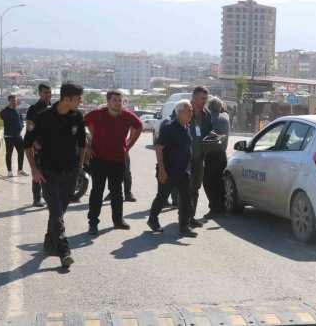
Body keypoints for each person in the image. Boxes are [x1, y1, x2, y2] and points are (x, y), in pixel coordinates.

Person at [24, 81, 86, 269]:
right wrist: (34, 169)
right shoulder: (44, 117)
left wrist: (80, 165)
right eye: (77, 99)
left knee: (59, 211)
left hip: (70, 172)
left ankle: (50, 241)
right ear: (66, 99)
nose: (80, 102)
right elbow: (27, 143)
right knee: (57, 212)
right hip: (48, 172)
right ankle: (64, 250)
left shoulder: (77, 117)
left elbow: (82, 143)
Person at [85, 90, 142, 235]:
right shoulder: (97, 113)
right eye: (115, 100)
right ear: (108, 100)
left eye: (120, 100)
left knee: (117, 191)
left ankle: (118, 220)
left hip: (118, 160)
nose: (118, 103)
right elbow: (80, 124)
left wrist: (129, 145)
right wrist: (87, 147)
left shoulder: (127, 115)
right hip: (98, 159)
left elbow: (139, 126)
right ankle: (93, 223)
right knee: (97, 191)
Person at [147, 99, 197, 238]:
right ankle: (152, 219)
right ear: (179, 112)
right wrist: (162, 170)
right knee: (162, 198)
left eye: (192, 110)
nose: (191, 113)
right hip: (168, 171)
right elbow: (159, 148)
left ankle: (184, 226)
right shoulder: (170, 127)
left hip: (183, 172)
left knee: (186, 198)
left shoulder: (187, 127)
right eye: (189, 110)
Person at [188, 86, 214, 228]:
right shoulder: (184, 110)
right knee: (187, 188)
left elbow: (208, 129)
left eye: (206, 99)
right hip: (184, 158)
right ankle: (185, 218)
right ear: (194, 97)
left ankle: (191, 217)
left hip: (199, 157)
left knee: (196, 188)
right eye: (202, 98)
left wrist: (212, 134)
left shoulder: (206, 114)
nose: (204, 101)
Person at [25, 84, 52, 207]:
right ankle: (36, 199)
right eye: (45, 92)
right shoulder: (34, 109)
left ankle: (48, 196)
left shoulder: (53, 107)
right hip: (39, 147)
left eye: (49, 92)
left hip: (51, 148)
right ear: (40, 93)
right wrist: (35, 143)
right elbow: (29, 128)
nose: (48, 94)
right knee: (37, 172)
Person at [203, 97, 230, 218]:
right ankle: (222, 207)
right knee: (219, 181)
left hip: (211, 154)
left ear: (209, 108)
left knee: (208, 181)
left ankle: (214, 207)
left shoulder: (209, 119)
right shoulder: (225, 117)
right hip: (222, 154)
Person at [0, 95, 26, 178]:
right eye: (12, 101)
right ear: (9, 102)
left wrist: (21, 126)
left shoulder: (18, 110)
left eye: (15, 101)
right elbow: (1, 115)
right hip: (9, 136)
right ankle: (9, 171)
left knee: (21, 152)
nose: (14, 102)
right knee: (9, 154)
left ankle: (20, 170)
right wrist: (6, 108)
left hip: (18, 135)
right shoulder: (5, 111)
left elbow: (21, 120)